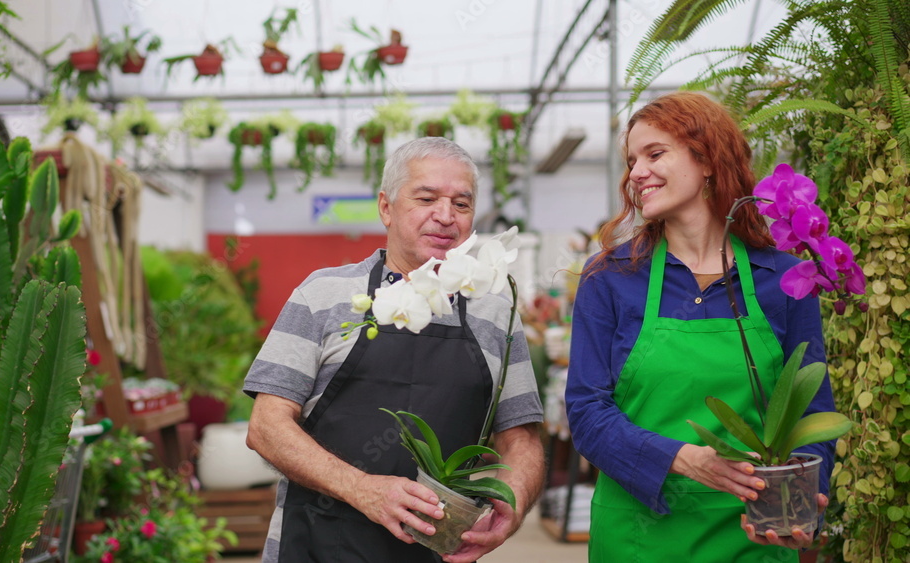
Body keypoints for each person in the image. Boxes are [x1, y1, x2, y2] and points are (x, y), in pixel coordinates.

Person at [244, 137, 545, 563]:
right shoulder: (323, 294)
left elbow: (522, 438)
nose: (445, 216)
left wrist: (509, 507)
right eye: (426, 198)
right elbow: (266, 426)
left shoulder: (497, 312)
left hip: (436, 550)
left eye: (462, 204)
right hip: (315, 545)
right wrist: (361, 489)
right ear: (386, 207)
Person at [565, 92, 837, 562]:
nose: (636, 173)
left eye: (654, 154)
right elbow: (587, 413)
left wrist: (802, 502)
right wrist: (686, 459)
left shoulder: (783, 278)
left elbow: (812, 412)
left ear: (708, 158)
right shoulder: (610, 278)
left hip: (754, 533)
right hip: (639, 534)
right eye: (632, 161)